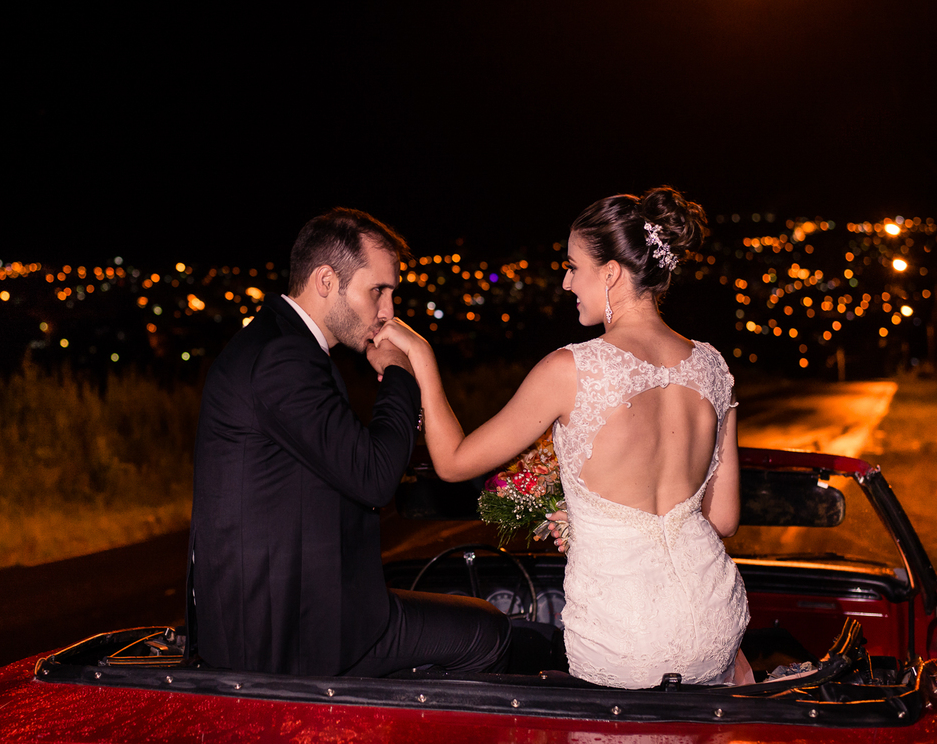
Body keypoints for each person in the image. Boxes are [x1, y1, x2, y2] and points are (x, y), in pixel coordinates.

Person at [374, 187, 753, 689]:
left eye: (574, 267)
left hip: (626, 640)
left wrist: (422, 359)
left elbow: (453, 462)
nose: (566, 281)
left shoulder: (571, 369)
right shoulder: (712, 367)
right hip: (716, 623)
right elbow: (722, 519)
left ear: (611, 272)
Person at [188, 207, 510, 677]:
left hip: (305, 611)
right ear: (326, 280)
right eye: (377, 290)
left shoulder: (280, 343)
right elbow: (375, 476)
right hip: (286, 636)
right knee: (487, 634)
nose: (388, 311)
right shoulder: (283, 357)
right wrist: (399, 371)